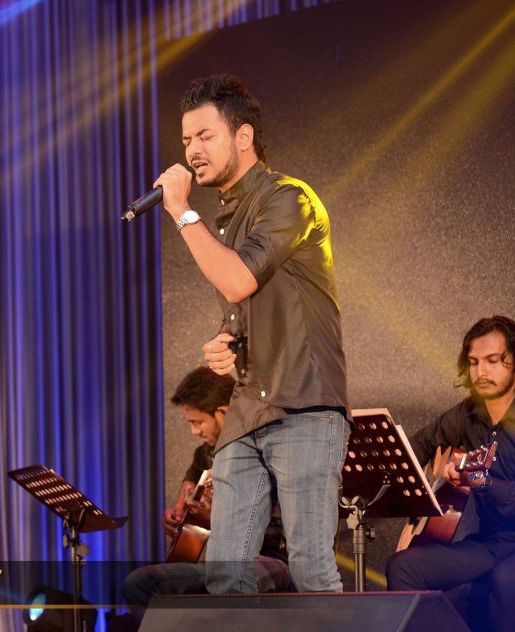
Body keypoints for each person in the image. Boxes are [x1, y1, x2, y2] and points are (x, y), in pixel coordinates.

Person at [153, 74, 350, 594]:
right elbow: (246, 298)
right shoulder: (226, 216)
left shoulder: (289, 198)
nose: (192, 151)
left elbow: (239, 278)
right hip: (247, 409)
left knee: (310, 569)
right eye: (186, 140)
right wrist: (227, 343)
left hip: (303, 403)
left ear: (243, 137)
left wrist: (181, 210)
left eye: (205, 136)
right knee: (225, 573)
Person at [386, 316, 515, 632]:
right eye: (474, 362)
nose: (481, 372)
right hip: (490, 543)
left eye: (492, 361)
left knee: (507, 579)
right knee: (404, 568)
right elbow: (420, 444)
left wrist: (479, 481)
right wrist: (394, 474)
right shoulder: (468, 412)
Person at [122, 368, 291, 609]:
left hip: (270, 560)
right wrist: (179, 515)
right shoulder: (205, 454)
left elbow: (279, 533)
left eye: (198, 422)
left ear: (222, 413)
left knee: (146, 583)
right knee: (143, 582)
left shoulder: (263, 451)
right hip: (224, 560)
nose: (194, 431)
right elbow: (191, 482)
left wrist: (217, 520)